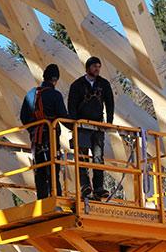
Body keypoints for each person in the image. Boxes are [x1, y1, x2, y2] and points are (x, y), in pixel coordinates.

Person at [67, 56, 115, 200]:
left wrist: (109, 122)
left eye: (99, 67)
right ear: (88, 68)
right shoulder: (77, 85)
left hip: (98, 126)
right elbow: (72, 105)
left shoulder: (103, 84)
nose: (97, 69)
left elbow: (110, 103)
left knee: (98, 157)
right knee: (82, 157)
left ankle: (98, 188)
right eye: (95, 66)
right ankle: (85, 186)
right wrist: (75, 124)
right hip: (81, 126)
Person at [20, 64, 68, 200]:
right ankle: (56, 196)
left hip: (36, 137)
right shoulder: (55, 95)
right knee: (53, 167)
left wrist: (32, 129)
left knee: (39, 167)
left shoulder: (31, 94)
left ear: (44, 77)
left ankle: (42, 198)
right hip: (50, 136)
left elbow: (24, 117)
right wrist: (76, 125)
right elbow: (63, 116)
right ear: (55, 80)